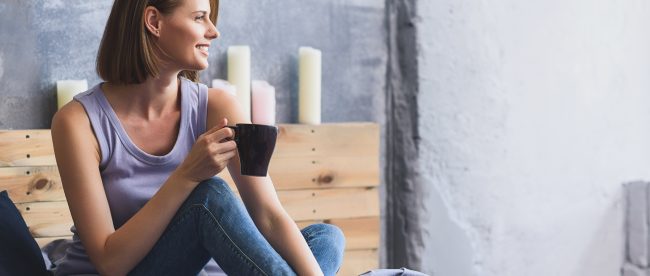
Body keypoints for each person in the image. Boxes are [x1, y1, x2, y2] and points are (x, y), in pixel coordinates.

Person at [50, 0, 345, 275]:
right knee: (208, 197)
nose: (213, 31)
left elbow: (268, 215)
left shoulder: (220, 107)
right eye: (199, 17)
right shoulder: (77, 123)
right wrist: (187, 176)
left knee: (325, 237)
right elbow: (109, 262)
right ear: (154, 21)